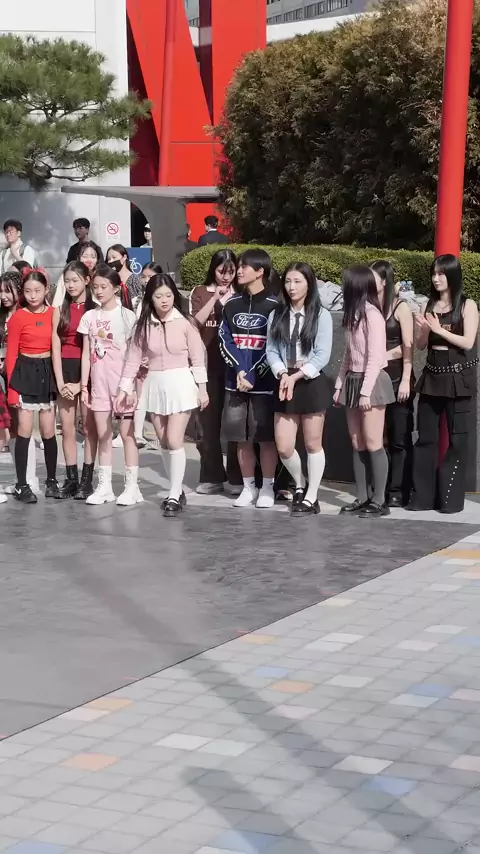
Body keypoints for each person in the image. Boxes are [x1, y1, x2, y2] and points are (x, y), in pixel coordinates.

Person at [116, 274, 208, 518]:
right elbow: (132, 359)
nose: (165, 300)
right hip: (154, 383)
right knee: (164, 440)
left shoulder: (185, 322)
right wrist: (124, 388)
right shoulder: (143, 325)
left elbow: (197, 357)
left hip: (181, 383)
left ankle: (174, 493)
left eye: (168, 295)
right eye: (159, 296)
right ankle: (176, 488)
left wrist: (202, 388)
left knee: (175, 440)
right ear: (151, 298)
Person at [408, 255, 479, 513]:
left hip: (459, 378)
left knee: (458, 440)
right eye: (434, 273)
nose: (436, 278)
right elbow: (420, 345)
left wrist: (440, 330)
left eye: (441, 273)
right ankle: (423, 497)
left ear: (452, 275)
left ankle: (450, 498)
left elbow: (468, 342)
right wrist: (425, 330)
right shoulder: (428, 305)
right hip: (432, 376)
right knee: (426, 438)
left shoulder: (467, 305)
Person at [267, 262, 332, 516]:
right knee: (284, 445)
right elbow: (271, 350)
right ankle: (300, 483)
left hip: (310, 381)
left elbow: (322, 355)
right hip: (285, 379)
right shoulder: (277, 314)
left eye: (297, 281)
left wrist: (297, 376)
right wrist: (283, 373)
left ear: (309, 284)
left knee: (313, 443)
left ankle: (312, 497)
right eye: (287, 281)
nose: (291, 287)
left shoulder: (321, 316)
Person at [219, 248, 279, 508]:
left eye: (244, 266)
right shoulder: (231, 305)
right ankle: (248, 487)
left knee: (265, 438)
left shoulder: (275, 306)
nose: (239, 271)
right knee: (240, 439)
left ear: (260, 271)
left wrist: (253, 373)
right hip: (235, 383)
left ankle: (267, 488)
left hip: (264, 384)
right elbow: (224, 340)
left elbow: (274, 346)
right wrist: (240, 370)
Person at [334, 265, 395, 518]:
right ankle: (361, 496)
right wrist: (339, 385)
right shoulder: (353, 315)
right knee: (357, 441)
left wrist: (365, 392)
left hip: (372, 382)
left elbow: (375, 357)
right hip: (353, 380)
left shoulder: (372, 315)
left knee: (373, 441)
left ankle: (379, 500)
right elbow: (348, 355)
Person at [78, 264, 142, 506]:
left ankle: (132, 486)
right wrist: (84, 386)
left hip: (123, 385)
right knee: (103, 434)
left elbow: (135, 355)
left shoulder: (128, 317)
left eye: (103, 286)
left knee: (127, 434)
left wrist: (131, 386)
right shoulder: (89, 317)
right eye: (95, 287)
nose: (99, 291)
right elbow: (86, 354)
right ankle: (104, 487)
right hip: (99, 384)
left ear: (115, 288)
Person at [190, 249, 243, 495]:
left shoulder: (241, 294)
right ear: (213, 269)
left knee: (235, 424)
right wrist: (214, 299)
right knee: (207, 426)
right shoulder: (200, 292)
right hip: (207, 367)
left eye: (231, 272)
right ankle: (211, 475)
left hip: (234, 368)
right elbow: (195, 323)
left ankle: (236, 476)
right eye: (222, 271)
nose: (226, 277)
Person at [6, 270, 60, 503]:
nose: (33, 295)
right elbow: (11, 354)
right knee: (24, 430)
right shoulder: (18, 317)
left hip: (47, 371)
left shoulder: (54, 313)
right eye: (28, 291)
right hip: (24, 372)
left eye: (37, 290)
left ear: (46, 290)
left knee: (48, 431)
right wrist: (12, 390)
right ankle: (22, 485)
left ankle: (51, 481)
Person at [51, 261, 98, 500]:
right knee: (67, 428)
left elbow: (94, 348)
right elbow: (55, 346)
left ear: (87, 280)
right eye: (67, 281)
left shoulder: (95, 310)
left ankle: (86, 480)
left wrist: (81, 384)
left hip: (89, 370)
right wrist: (60, 383)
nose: (70, 285)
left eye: (75, 280)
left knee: (88, 427)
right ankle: (71, 478)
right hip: (65, 369)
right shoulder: (60, 309)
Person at [371, 260, 414, 507]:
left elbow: (407, 346)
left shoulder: (400, 307)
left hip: (397, 376)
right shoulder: (368, 306)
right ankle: (381, 487)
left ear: (385, 281)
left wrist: (406, 379)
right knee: (378, 437)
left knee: (399, 435)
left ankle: (398, 489)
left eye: (374, 278)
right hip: (374, 378)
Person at [0, 272, 38, 492]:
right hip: (3, 378)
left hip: (22, 374)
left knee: (25, 426)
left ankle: (30, 478)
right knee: (12, 428)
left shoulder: (25, 314)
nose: (4, 296)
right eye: (1, 291)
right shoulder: (1, 317)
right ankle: (19, 478)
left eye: (8, 291)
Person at [53, 241, 104, 308]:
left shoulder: (101, 277)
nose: (89, 260)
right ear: (78, 258)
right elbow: (57, 302)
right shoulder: (67, 276)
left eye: (93, 257)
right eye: (85, 256)